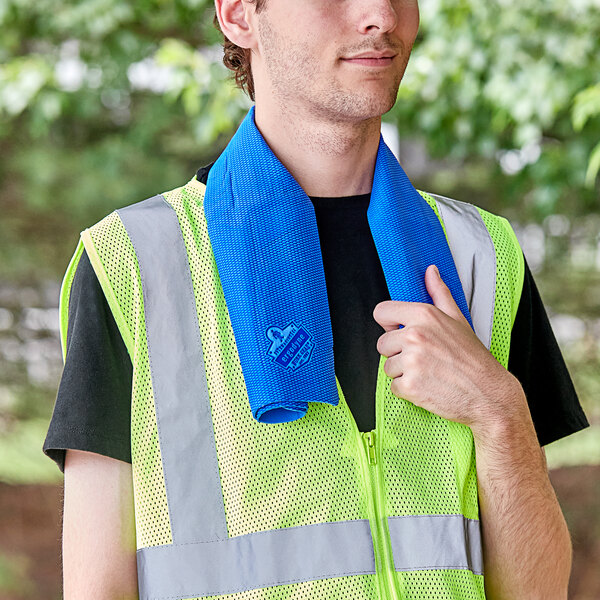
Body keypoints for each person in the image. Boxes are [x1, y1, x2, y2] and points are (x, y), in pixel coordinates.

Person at [43, 0, 589, 598]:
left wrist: (499, 412)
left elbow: (538, 591)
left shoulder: (481, 252)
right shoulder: (134, 260)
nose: (381, 14)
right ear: (238, 16)